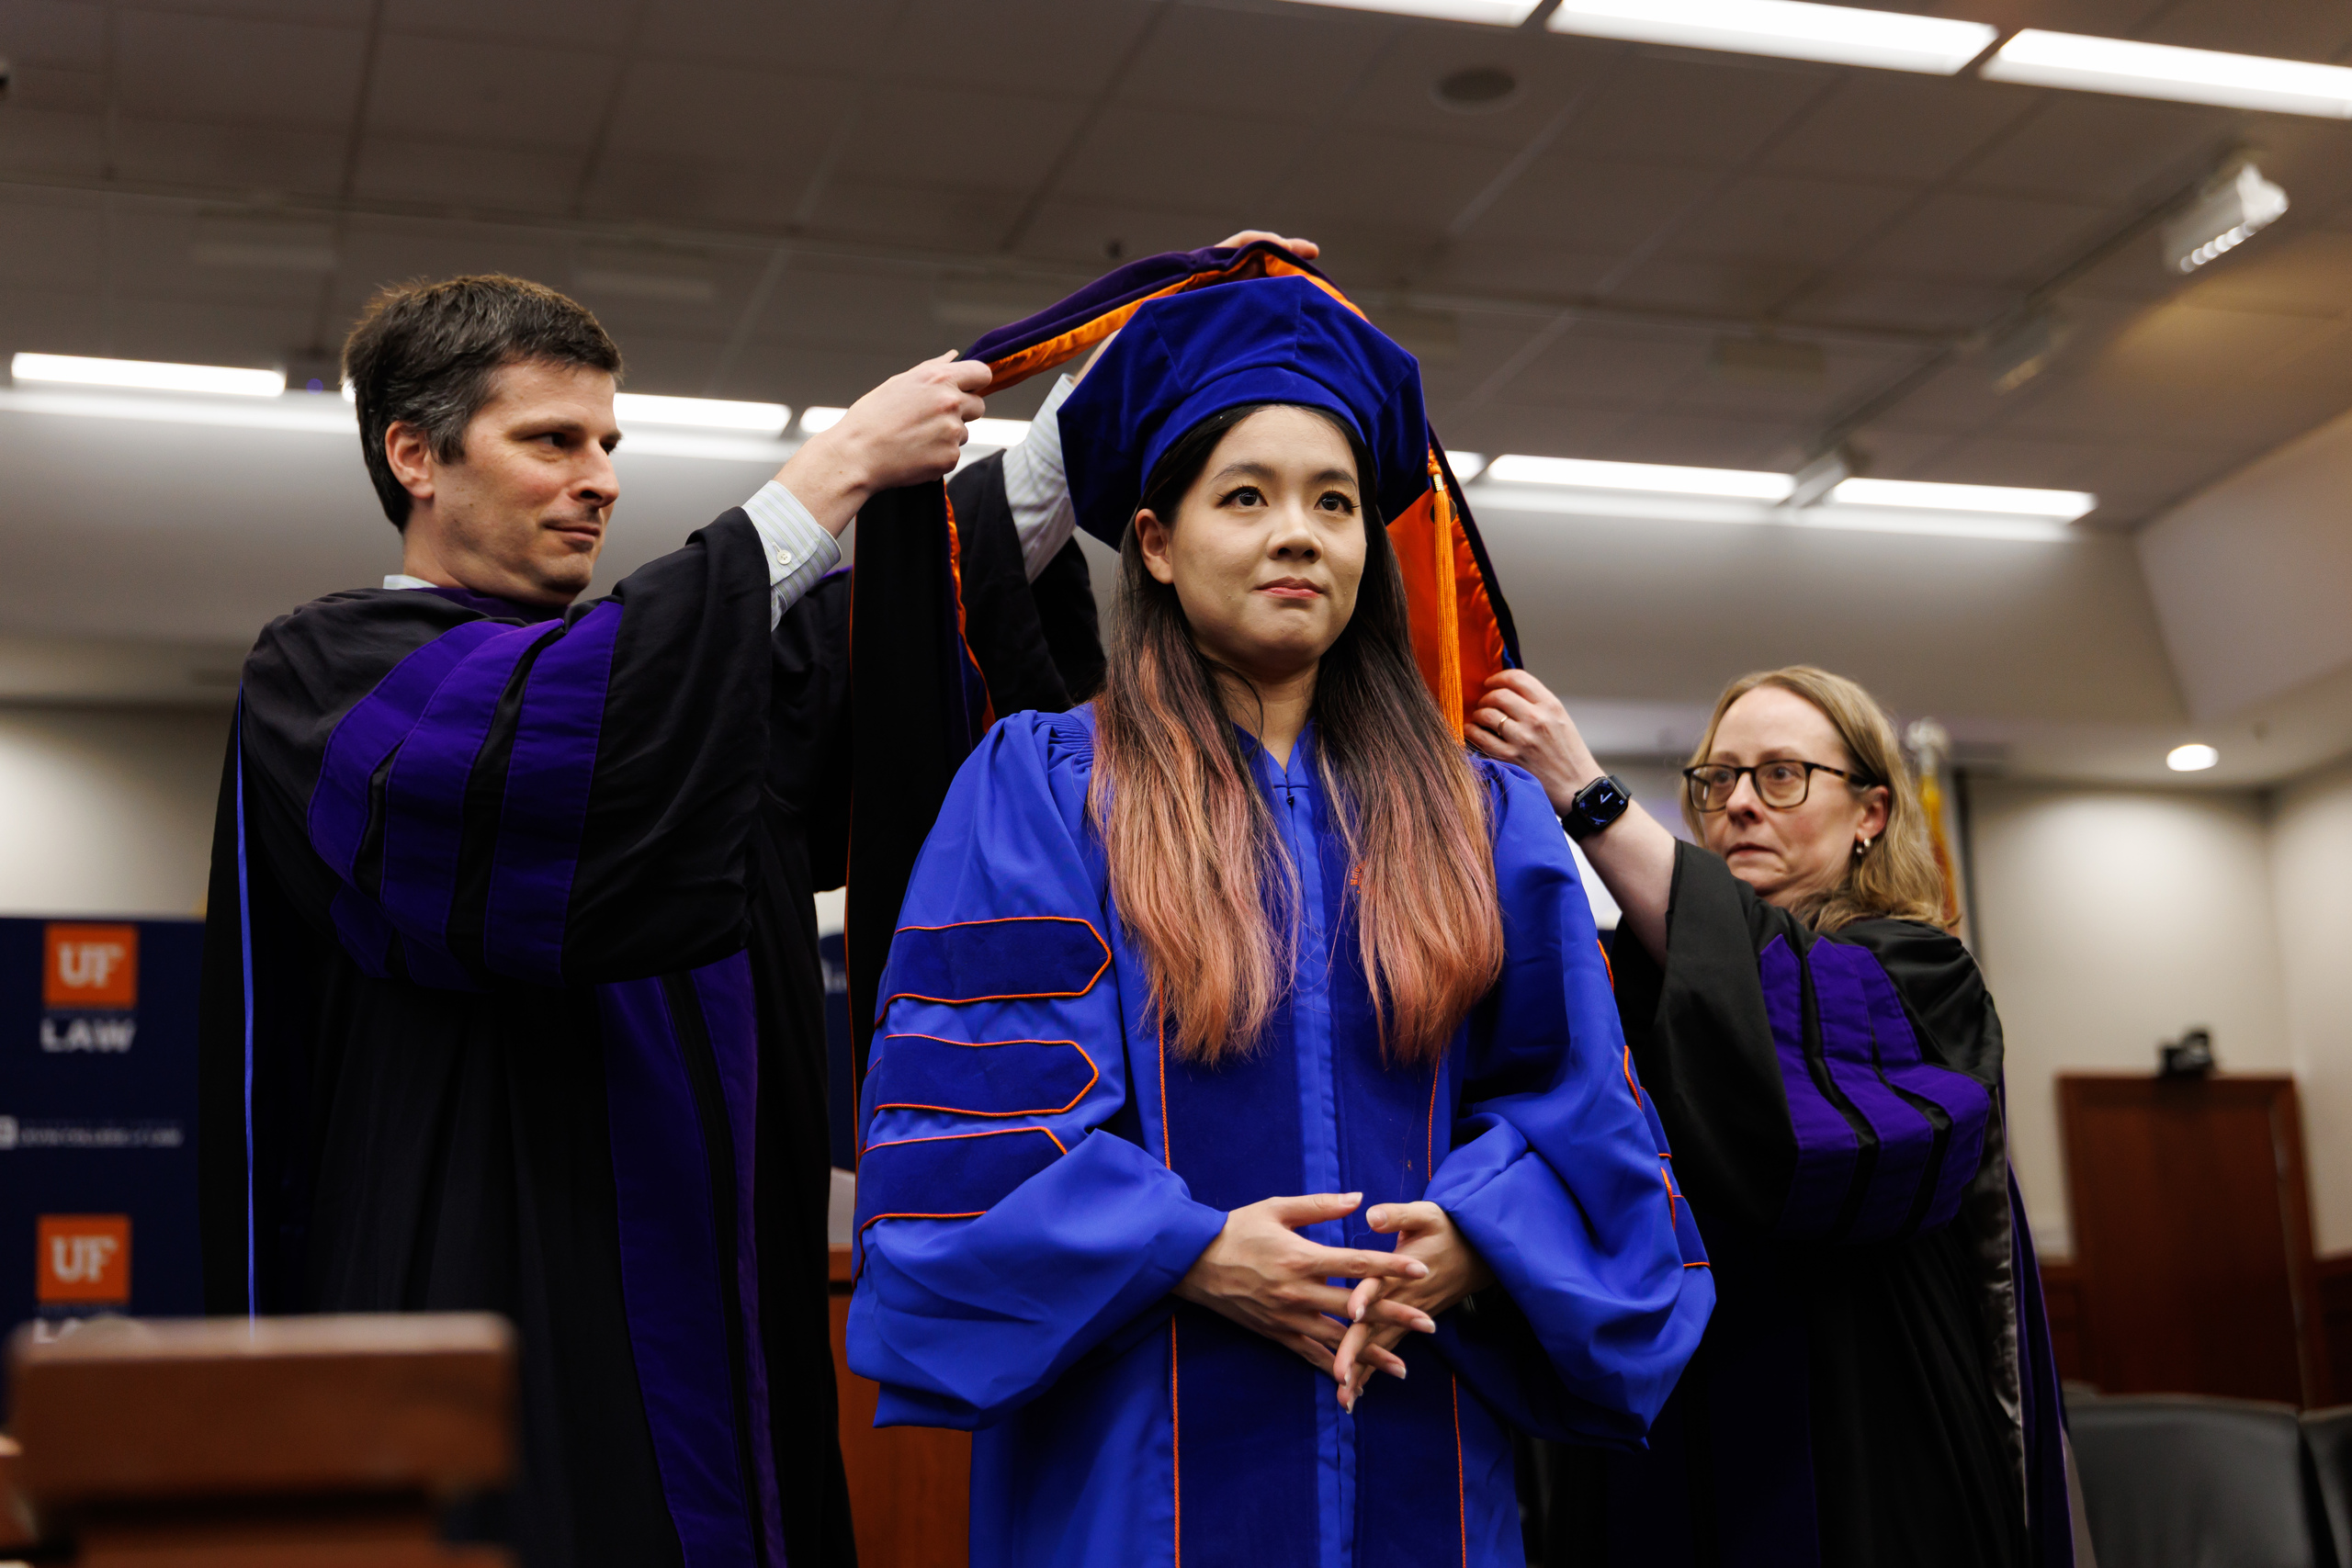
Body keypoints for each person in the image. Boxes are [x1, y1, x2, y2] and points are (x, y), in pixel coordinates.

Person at [846, 276, 1713, 1568]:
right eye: (1244, 495)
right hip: (1133, 1459)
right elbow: (961, 1147)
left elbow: (1583, 1113)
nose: (1297, 533)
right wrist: (1190, 1248)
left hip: (1421, 1436)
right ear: (1153, 538)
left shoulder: (1481, 815)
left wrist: (1480, 1233)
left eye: (1334, 499)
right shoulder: (1042, 789)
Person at [196, 273, 991, 1568]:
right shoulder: (333, 677)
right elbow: (566, 724)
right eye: (553, 440)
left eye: (610, 443)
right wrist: (831, 470)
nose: (602, 478)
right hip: (482, 1294)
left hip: (709, 1303)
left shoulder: (668, 712)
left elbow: (827, 666)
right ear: (416, 455)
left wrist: (1126, 388)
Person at [1468, 664, 2075, 1568]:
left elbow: (1770, 1021)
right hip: (1670, 1432)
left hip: (1870, 1435)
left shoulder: (1917, 977)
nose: (1741, 804)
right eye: (1718, 778)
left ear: (1870, 812)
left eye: (1782, 775)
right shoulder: (1625, 980)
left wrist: (1589, 798)